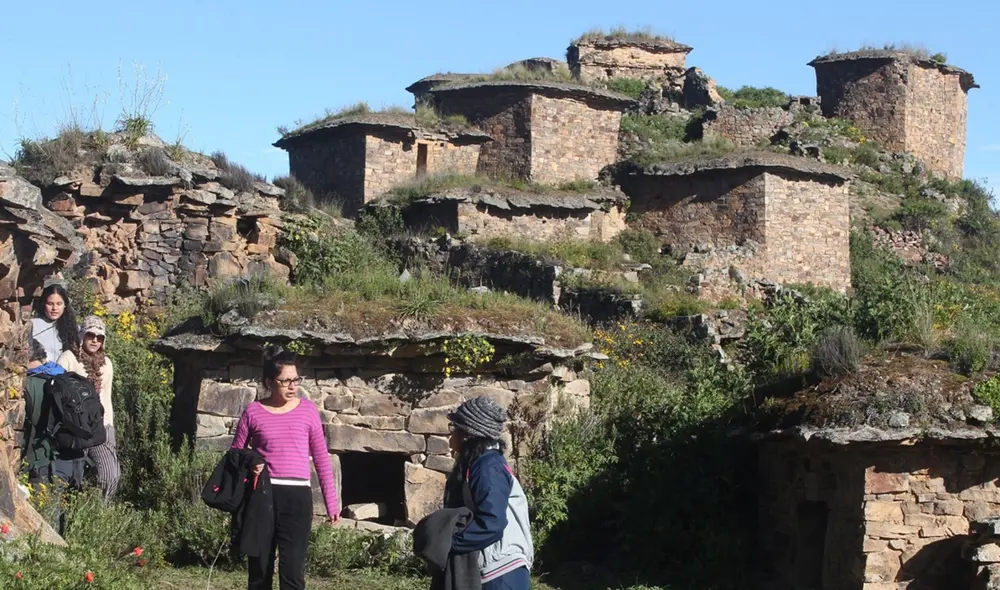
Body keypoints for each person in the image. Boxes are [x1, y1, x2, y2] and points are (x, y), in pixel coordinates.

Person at [230, 345, 340, 590]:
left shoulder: (308, 411)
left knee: (293, 571)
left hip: (297, 498)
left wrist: (332, 502)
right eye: (285, 381)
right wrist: (251, 462)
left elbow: (321, 457)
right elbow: (235, 454)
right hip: (262, 496)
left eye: (296, 380)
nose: (292, 386)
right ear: (269, 382)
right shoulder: (253, 412)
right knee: (259, 570)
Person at [444, 396, 534, 590]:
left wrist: (449, 543)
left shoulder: (488, 468)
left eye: (454, 428)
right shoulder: (480, 464)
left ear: (467, 434)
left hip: (503, 573)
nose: (450, 436)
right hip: (496, 570)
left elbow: (492, 522)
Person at [21, 338, 86, 534]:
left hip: (39, 458)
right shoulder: (60, 375)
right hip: (70, 457)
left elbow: (31, 426)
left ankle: (48, 549)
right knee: (56, 511)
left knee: (43, 516)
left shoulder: (30, 383)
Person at [57, 315, 121, 502]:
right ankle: (76, 508)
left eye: (100, 337)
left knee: (111, 474)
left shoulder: (106, 363)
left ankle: (102, 510)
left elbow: (106, 396)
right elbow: (57, 392)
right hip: (75, 427)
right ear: (82, 335)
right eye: (90, 335)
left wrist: (109, 427)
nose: (95, 340)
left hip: (100, 425)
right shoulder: (69, 358)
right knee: (74, 475)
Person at [30, 283, 80, 363]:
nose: (54, 308)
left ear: (65, 305)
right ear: (44, 304)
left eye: (59, 304)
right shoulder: (33, 325)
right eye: (50, 304)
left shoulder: (73, 328)